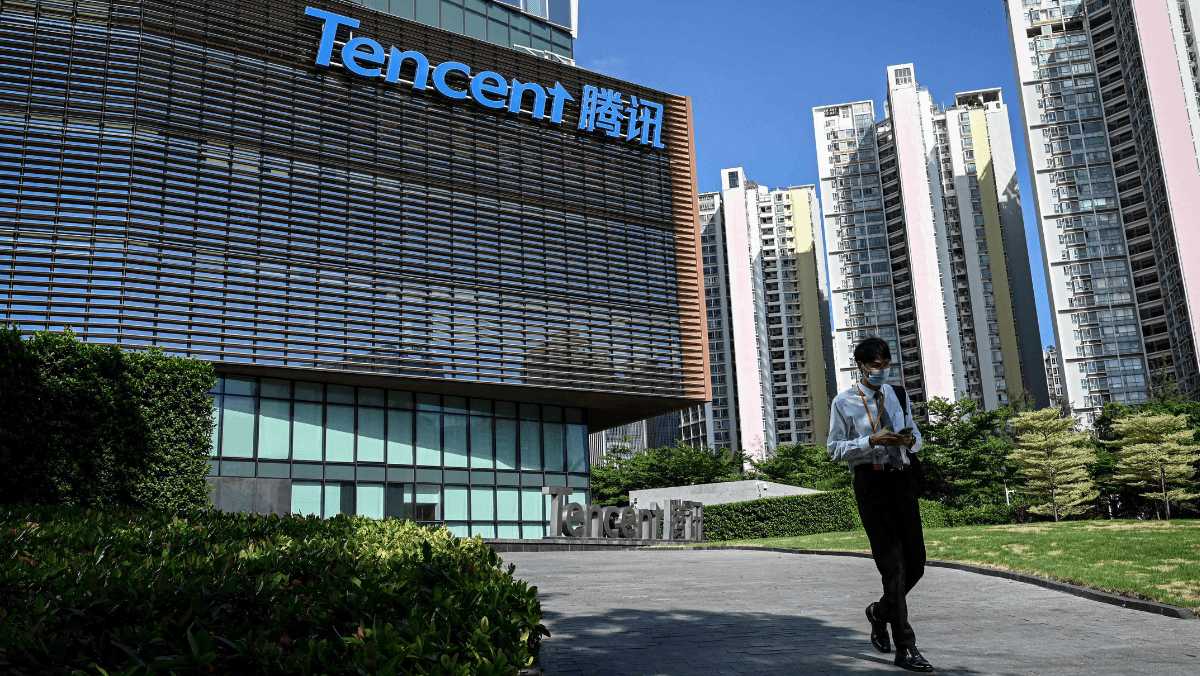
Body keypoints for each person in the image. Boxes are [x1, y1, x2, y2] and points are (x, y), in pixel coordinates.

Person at [827, 337, 934, 672]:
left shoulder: (897, 394)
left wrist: (910, 440)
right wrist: (870, 440)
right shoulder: (844, 402)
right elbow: (834, 450)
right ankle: (906, 647)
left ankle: (879, 612)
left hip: (902, 480)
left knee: (916, 562)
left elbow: (916, 438)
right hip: (871, 483)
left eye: (886, 364)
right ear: (860, 366)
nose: (882, 370)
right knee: (894, 566)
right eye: (876, 365)